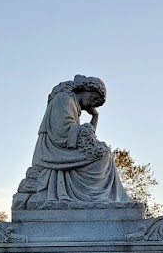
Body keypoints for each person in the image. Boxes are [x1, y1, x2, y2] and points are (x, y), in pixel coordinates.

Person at [13, 75, 133, 208]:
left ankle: (98, 197)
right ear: (86, 89)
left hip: (63, 148)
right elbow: (63, 132)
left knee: (105, 154)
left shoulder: (73, 103)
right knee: (103, 156)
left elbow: (84, 137)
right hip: (54, 150)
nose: (93, 103)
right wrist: (86, 130)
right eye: (93, 98)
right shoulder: (64, 99)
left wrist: (95, 116)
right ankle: (93, 196)